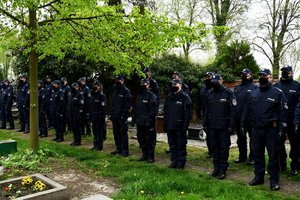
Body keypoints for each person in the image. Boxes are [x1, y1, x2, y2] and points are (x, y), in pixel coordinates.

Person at [243, 68, 288, 191]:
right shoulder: (254, 92)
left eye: (264, 75)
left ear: (270, 77)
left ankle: (274, 181)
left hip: (271, 130)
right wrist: (245, 123)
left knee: (273, 156)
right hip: (256, 129)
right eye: (260, 75)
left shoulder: (277, 93)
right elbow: (248, 110)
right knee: (257, 154)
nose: (262, 77)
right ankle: (259, 177)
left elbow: (283, 112)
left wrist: (282, 129)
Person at [203, 74, 236, 179]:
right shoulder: (209, 93)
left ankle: (223, 170)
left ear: (221, 81)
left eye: (216, 81)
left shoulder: (228, 93)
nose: (214, 83)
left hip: (224, 127)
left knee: (223, 148)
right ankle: (216, 168)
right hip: (212, 126)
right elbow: (206, 110)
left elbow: (233, 111)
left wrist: (231, 126)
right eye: (213, 81)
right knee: (214, 148)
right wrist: (205, 124)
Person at [274, 66, 300, 175]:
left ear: (291, 73)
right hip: (280, 120)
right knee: (279, 143)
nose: (284, 73)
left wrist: (297, 121)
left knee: (295, 144)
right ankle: (282, 164)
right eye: (283, 71)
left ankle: (295, 166)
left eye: (287, 72)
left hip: (293, 121)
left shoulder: (297, 86)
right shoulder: (276, 86)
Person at [164, 79, 192, 169]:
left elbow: (188, 114)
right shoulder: (169, 96)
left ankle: (181, 162)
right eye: (172, 84)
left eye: (175, 84)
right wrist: (165, 124)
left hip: (180, 126)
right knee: (172, 144)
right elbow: (166, 111)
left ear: (180, 85)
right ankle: (174, 161)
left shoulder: (185, 97)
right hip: (170, 125)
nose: (173, 86)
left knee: (180, 145)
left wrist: (185, 126)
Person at [233, 69, 258, 165]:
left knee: (253, 138)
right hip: (239, 118)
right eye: (243, 75)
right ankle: (242, 156)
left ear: (251, 75)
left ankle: (252, 157)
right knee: (241, 138)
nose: (245, 76)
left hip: (250, 118)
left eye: (247, 75)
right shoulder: (237, 88)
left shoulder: (255, 88)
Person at [134, 78, 158, 163]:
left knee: (149, 140)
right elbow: (136, 108)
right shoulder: (139, 95)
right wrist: (134, 119)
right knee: (141, 139)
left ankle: (150, 156)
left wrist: (149, 121)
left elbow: (153, 110)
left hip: (148, 122)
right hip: (139, 121)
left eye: (144, 83)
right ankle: (144, 154)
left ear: (148, 85)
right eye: (141, 83)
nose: (142, 85)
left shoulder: (152, 96)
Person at [110, 75, 131, 157]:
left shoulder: (126, 91)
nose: (117, 81)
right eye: (116, 80)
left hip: (122, 116)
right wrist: (111, 115)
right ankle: (118, 149)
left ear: (122, 81)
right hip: (115, 116)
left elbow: (127, 105)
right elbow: (113, 104)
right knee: (116, 133)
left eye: (118, 80)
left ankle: (125, 151)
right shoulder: (115, 90)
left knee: (123, 134)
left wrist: (124, 116)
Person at [197, 72, 214, 158]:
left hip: (214, 115)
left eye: (209, 77)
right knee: (207, 133)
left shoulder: (215, 88)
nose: (207, 78)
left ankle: (215, 151)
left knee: (214, 134)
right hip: (205, 115)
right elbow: (200, 102)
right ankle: (210, 151)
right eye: (206, 77)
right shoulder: (203, 89)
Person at [89, 81, 107, 151]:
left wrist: (102, 118)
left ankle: (99, 146)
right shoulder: (92, 95)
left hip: (99, 118)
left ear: (100, 87)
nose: (95, 87)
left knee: (99, 132)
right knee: (94, 132)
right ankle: (95, 145)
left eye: (96, 85)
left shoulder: (102, 96)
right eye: (94, 85)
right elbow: (91, 107)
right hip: (93, 117)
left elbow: (103, 108)